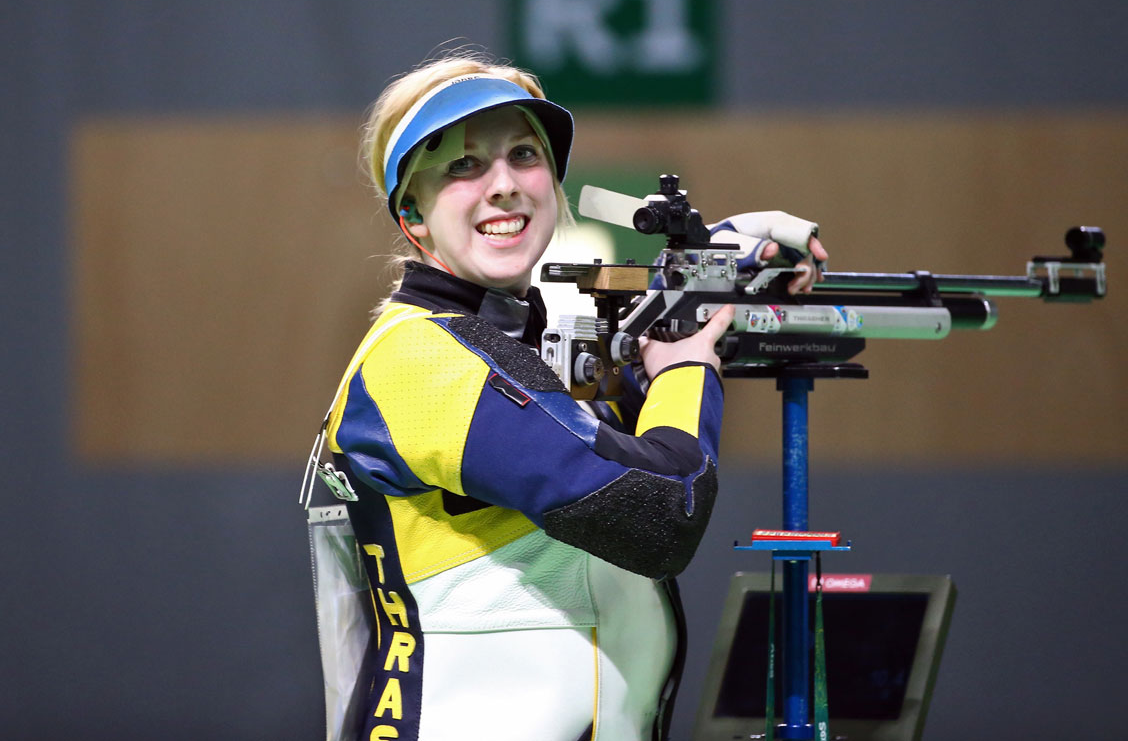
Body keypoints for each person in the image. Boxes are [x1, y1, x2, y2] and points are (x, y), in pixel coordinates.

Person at [305, 52, 826, 741]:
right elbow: (659, 511)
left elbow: (622, 449)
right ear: (413, 216)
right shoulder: (423, 360)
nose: (503, 187)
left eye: (524, 155)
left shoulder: (504, 350)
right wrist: (684, 369)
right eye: (463, 167)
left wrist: (709, 268)